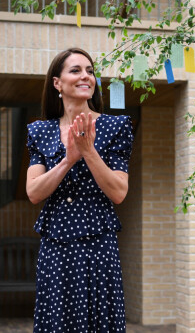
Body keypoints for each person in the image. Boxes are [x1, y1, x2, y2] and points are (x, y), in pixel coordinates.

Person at [26, 48, 133, 332]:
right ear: (57, 83)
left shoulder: (115, 126)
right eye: (75, 70)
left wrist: (88, 152)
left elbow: (119, 192)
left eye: (90, 70)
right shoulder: (40, 131)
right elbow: (34, 192)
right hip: (56, 245)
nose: (86, 76)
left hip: (98, 244)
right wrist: (68, 159)